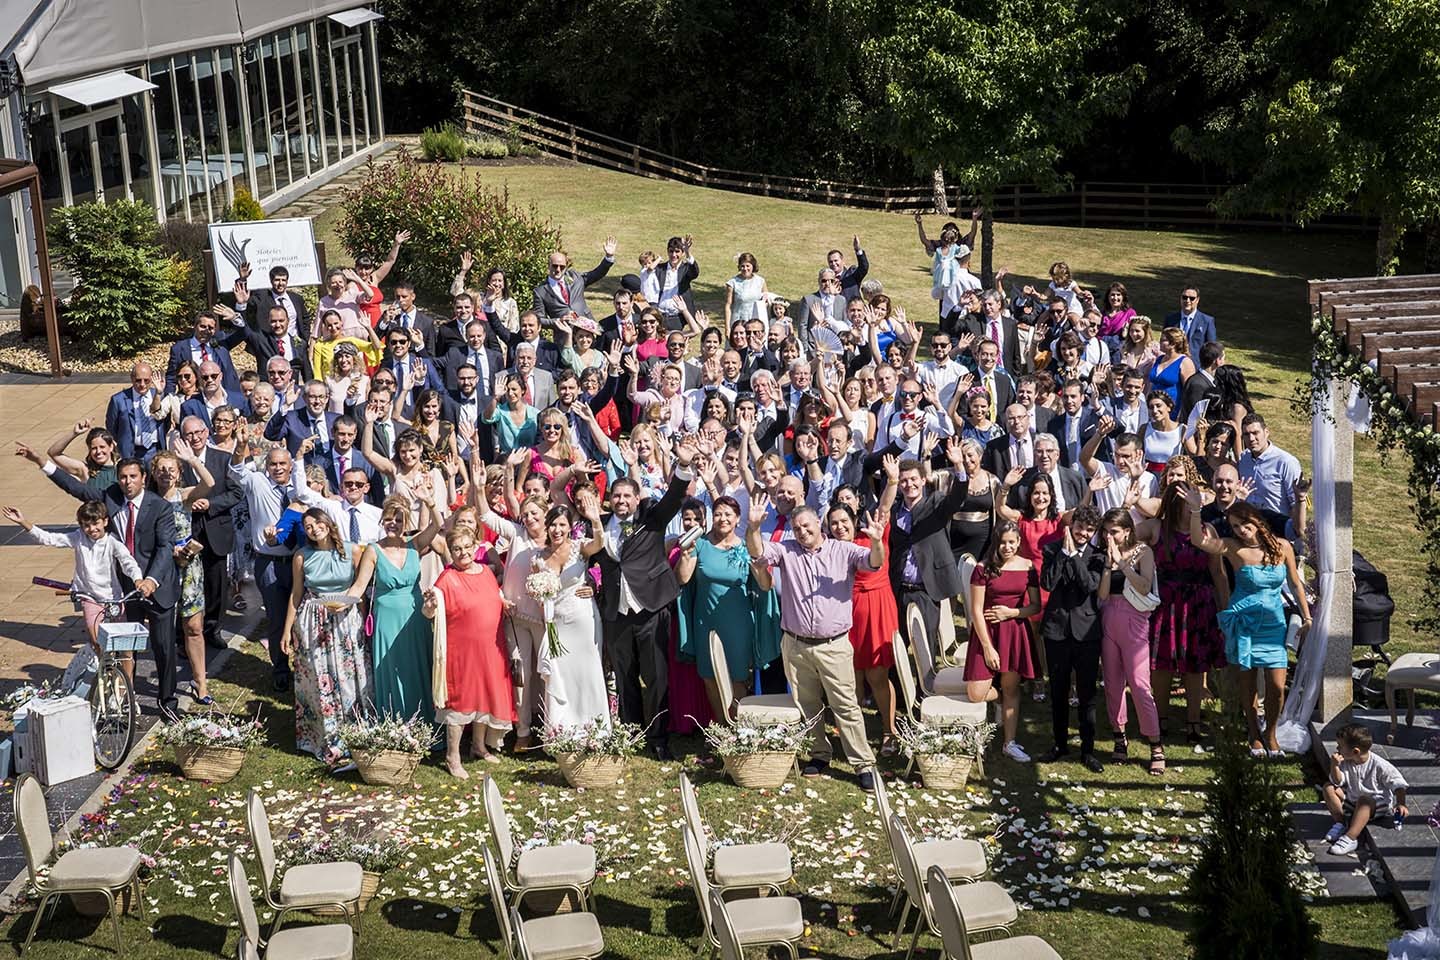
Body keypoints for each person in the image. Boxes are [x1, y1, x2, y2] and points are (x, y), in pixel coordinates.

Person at [746, 493, 887, 791]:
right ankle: (820, 753)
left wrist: (876, 542)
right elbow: (758, 554)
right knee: (807, 704)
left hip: (833, 645)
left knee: (845, 706)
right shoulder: (786, 550)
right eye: (797, 528)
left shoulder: (842, 550)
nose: (802, 532)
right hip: (796, 645)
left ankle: (863, 763)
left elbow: (873, 562)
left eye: (807, 526)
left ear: (819, 526)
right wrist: (754, 527)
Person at [32, 451, 180, 715]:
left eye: (133, 476)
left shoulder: (160, 507)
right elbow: (75, 488)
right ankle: (124, 700)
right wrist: (42, 463)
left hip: (157, 586)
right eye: (122, 477)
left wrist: (151, 579)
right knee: (125, 648)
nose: (127, 482)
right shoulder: (110, 497)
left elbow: (165, 547)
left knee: (163, 647)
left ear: (143, 478)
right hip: (125, 589)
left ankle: (167, 703)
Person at [595, 436, 698, 759]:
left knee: (655, 677)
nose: (622, 500)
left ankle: (657, 737)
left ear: (637, 497)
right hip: (617, 612)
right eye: (616, 495)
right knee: (624, 676)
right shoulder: (599, 527)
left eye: (627, 495)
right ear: (609, 499)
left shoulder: (651, 517)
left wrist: (683, 464)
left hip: (651, 607)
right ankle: (631, 732)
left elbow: (675, 496)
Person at [1191, 496, 1310, 757]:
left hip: (1273, 624)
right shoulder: (1233, 547)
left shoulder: (1283, 546)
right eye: (1235, 526)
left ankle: (1271, 733)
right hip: (1244, 622)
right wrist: (1195, 510)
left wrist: (1307, 617)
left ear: (1256, 521)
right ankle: (1254, 733)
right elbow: (1199, 541)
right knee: (1248, 683)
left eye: (1244, 524)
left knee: (1277, 687)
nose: (1241, 530)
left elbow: (1295, 583)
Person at [279, 508, 371, 766]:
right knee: (318, 676)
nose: (313, 529)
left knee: (350, 676)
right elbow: (296, 594)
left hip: (346, 618)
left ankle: (354, 732)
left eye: (317, 523)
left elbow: (360, 589)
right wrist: (287, 630)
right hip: (313, 620)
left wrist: (364, 620)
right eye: (308, 526)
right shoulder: (301, 556)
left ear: (328, 523)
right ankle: (323, 736)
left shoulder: (353, 551)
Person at [677, 495, 778, 726]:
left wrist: (761, 568)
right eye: (718, 514)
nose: (723, 519)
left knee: (737, 677)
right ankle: (722, 728)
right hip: (705, 621)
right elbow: (683, 578)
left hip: (738, 623)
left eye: (728, 514)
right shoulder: (700, 544)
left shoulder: (746, 547)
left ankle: (740, 729)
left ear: (737, 519)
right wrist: (684, 555)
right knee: (709, 676)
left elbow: (765, 586)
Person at [424, 526, 516, 777]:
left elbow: (494, 596)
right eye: (457, 549)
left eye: (467, 547)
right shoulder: (447, 578)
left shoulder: (486, 572)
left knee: (483, 695)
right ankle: (452, 756)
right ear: (450, 551)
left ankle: (478, 746)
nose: (463, 552)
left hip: (491, 647)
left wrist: (504, 603)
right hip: (461, 651)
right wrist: (430, 605)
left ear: (476, 546)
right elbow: (429, 612)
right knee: (461, 700)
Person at [347, 492, 441, 726]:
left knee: (418, 668)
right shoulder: (373, 550)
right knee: (391, 669)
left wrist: (429, 502)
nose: (393, 524)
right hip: (387, 621)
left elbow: (438, 525)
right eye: (389, 519)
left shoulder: (414, 544)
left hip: (416, 618)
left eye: (399, 520)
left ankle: (425, 725)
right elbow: (359, 587)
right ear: (382, 520)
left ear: (406, 522)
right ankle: (396, 726)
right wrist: (337, 603)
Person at [5, 501, 142, 657]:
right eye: (86, 525)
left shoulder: (113, 542)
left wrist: (138, 579)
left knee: (124, 645)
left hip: (113, 597)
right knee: (97, 641)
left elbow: (128, 562)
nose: (92, 529)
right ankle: (103, 668)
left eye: (96, 523)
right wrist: (23, 522)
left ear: (105, 521)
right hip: (90, 598)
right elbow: (49, 538)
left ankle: (127, 671)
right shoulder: (79, 537)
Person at [833, 456, 899, 754]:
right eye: (835, 521)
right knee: (852, 675)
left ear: (857, 506)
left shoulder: (872, 531)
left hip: (876, 606)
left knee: (877, 674)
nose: (840, 526)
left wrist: (892, 481)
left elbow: (884, 508)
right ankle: (855, 733)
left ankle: (889, 731)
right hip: (848, 609)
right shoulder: (832, 545)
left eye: (848, 501)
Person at [962, 520, 1040, 762]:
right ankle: (999, 703)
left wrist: (1012, 613)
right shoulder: (983, 568)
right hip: (986, 634)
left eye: (1012, 542)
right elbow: (976, 611)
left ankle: (1009, 742)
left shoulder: (1028, 567)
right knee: (976, 693)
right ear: (996, 543)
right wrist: (987, 648)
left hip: (1014, 632)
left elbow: (1035, 606)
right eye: (1003, 542)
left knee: (1011, 688)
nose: (1007, 547)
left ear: (1018, 542)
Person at [1096, 508, 1165, 775]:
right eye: (1105, 532)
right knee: (1113, 683)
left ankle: (1155, 743)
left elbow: (1145, 586)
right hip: (1109, 617)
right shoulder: (1105, 554)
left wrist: (1123, 564)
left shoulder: (1143, 552)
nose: (1108, 537)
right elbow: (1103, 594)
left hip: (1134, 619)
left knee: (1139, 683)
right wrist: (1108, 565)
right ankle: (1119, 736)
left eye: (1113, 531)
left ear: (1127, 531)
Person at [532, 495, 610, 730]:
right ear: (547, 527)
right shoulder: (538, 558)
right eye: (553, 525)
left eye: (562, 525)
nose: (557, 530)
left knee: (587, 670)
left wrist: (595, 520)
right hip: (556, 623)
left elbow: (599, 544)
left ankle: (594, 728)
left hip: (582, 618)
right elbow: (537, 594)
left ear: (569, 527)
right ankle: (564, 728)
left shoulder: (579, 547)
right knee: (561, 674)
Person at [1037, 505, 1105, 771]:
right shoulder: (1052, 549)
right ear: (1071, 525)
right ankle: (1059, 744)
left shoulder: (1098, 555)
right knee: (1058, 690)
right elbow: (1048, 583)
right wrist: (1064, 554)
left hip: (1087, 632)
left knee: (1087, 693)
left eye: (1089, 530)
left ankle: (1087, 750)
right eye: (1079, 527)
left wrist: (1074, 556)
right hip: (1057, 630)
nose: (1083, 533)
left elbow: (1089, 585)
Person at [148, 446, 216, 703]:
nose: (166, 474)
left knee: (194, 626)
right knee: (163, 629)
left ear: (178, 473)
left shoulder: (184, 496)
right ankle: (166, 687)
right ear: (153, 473)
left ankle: (201, 683)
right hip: (162, 567)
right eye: (161, 469)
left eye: (171, 469)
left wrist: (192, 460)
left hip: (188, 567)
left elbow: (209, 483)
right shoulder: (149, 500)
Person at [1322, 723, 1409, 856]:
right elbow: (1337, 782)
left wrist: (1401, 803)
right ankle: (1341, 823)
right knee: (1328, 787)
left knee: (1364, 800)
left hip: (1376, 805)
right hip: (1353, 800)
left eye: (1340, 746)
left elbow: (1398, 783)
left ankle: (1351, 838)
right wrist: (1334, 766)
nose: (1337, 748)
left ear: (1355, 751)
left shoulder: (1380, 765)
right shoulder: (1345, 761)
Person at [1236, 413, 1302, 536]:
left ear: (1266, 432)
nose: (1251, 438)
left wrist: (1294, 533)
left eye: (1255, 433)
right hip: (1250, 531)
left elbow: (1296, 502)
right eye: (1246, 434)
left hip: (1278, 529)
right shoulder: (1243, 460)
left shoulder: (1286, 462)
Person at [532, 239, 618, 323]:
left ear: (566, 267)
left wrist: (608, 257)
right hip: (564, 330)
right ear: (548, 266)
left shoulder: (575, 277)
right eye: (555, 266)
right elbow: (540, 319)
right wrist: (558, 321)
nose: (558, 270)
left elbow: (596, 274)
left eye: (562, 267)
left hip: (587, 327)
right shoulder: (540, 291)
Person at [106, 363, 169, 461]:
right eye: (138, 380)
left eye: (146, 380)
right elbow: (111, 427)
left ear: (152, 379)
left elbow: (167, 423)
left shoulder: (160, 396)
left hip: (155, 450)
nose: (142, 384)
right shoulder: (118, 400)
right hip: (131, 453)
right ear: (132, 378)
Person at [1163, 285, 1218, 363]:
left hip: (1196, 365)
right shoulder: (1170, 319)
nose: (1187, 301)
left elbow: (1211, 348)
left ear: (1197, 300)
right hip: (1172, 363)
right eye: (1184, 297)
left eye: (1192, 298)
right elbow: (1164, 342)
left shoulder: (1207, 321)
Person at [1145, 328, 1195, 407]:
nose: (1159, 342)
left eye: (1163, 340)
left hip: (1173, 407)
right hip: (1153, 407)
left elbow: (1189, 390)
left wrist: (1182, 411)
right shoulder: (1159, 359)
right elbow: (1151, 385)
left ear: (1173, 344)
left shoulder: (1185, 362)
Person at [724, 253, 769, 327]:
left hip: (756, 322)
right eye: (742, 266)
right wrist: (727, 327)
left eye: (748, 266)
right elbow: (728, 306)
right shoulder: (733, 283)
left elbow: (766, 301)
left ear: (753, 266)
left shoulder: (760, 281)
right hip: (739, 322)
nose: (745, 269)